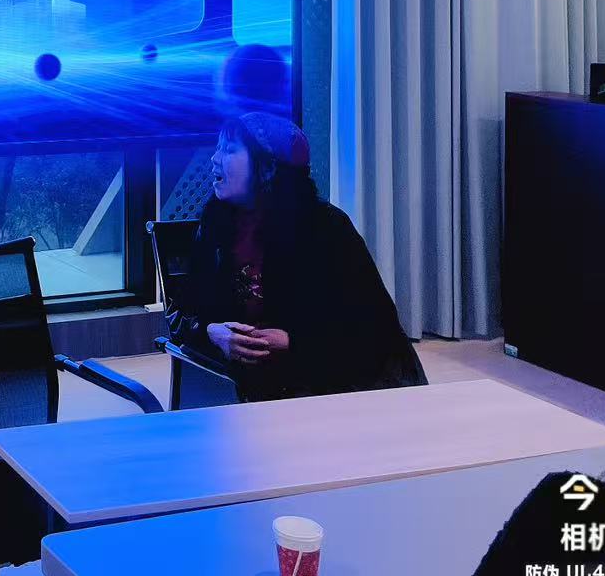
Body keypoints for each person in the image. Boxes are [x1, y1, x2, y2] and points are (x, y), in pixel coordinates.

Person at [168, 111, 425, 402]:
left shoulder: (326, 228)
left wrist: (294, 341)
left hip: (330, 383)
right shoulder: (215, 223)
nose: (214, 159)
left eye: (229, 150)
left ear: (268, 168)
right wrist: (212, 332)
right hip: (246, 386)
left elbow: (372, 327)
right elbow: (182, 312)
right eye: (218, 148)